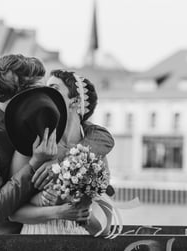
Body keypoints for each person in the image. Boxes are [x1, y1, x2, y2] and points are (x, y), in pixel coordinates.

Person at [0, 55, 114, 234]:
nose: (44, 97)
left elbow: (101, 136)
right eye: (37, 91)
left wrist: (64, 163)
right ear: (20, 96)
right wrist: (35, 164)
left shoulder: (42, 117)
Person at [7, 70, 115, 235]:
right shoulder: (32, 144)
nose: (45, 94)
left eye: (54, 88)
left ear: (76, 101)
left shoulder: (96, 154)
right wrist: (57, 211)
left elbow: (104, 228)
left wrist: (80, 212)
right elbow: (13, 213)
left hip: (79, 241)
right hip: (36, 239)